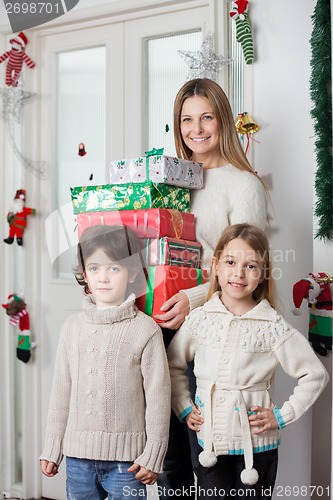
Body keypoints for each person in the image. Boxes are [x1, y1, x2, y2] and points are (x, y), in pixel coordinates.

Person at [155, 78, 268, 498]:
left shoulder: (244, 184)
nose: (196, 128)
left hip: (215, 331)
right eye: (186, 119)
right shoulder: (172, 181)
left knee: (212, 460)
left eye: (206, 117)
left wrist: (193, 299)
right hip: (165, 326)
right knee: (168, 458)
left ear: (222, 119)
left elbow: (250, 270)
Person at [167, 223, 329, 500]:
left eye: (251, 266)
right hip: (211, 444)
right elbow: (173, 365)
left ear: (263, 274)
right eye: (230, 262)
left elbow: (315, 374)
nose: (239, 273)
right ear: (216, 266)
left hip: (257, 447)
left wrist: (282, 415)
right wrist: (183, 406)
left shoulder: (272, 325)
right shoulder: (200, 319)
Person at [40, 225, 171, 500]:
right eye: (95, 268)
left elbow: (159, 398)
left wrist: (153, 455)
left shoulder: (145, 330)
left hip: (129, 462)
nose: (104, 277)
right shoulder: (71, 328)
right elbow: (61, 394)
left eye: (114, 268)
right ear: (85, 274)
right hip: (78, 461)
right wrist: (53, 447)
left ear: (132, 272)